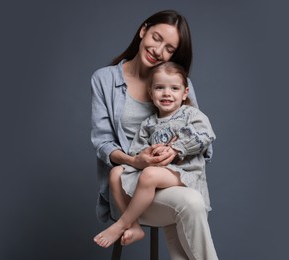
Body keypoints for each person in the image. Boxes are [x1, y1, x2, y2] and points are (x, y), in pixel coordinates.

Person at [91, 10, 219, 259]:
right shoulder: (104, 80)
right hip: (129, 188)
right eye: (156, 38)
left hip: (171, 178)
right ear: (143, 31)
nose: (159, 50)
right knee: (188, 203)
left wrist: (174, 152)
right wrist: (136, 160)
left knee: (190, 201)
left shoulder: (180, 83)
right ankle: (132, 224)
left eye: (169, 48)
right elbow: (103, 143)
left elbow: (203, 139)